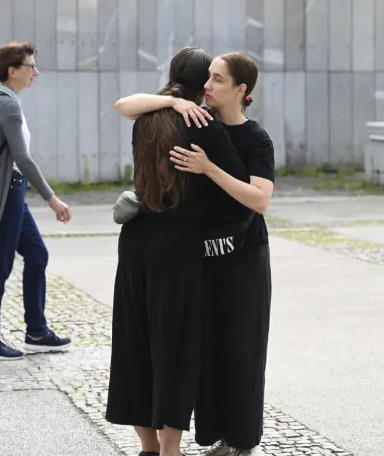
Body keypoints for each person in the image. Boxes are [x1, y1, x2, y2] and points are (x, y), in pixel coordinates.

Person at [115, 52, 275, 456]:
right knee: (180, 354)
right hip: (185, 254)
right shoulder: (201, 124)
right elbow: (242, 204)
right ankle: (173, 449)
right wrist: (175, 103)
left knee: (146, 349)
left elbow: (256, 200)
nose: (209, 87)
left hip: (164, 251)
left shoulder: (153, 120)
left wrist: (171, 104)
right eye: (208, 79)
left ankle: (166, 446)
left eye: (218, 80)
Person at [0, 42, 74, 361]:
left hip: (13, 190)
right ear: (12, 70)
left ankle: (37, 331)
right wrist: (52, 198)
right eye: (31, 67)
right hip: (8, 192)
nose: (36, 72)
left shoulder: (3, 100)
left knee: (37, 254)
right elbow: (23, 159)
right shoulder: (7, 105)